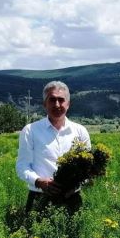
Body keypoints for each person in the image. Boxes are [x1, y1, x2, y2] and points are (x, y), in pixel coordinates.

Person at [16, 81, 91, 213]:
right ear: (45, 104)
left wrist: (73, 187)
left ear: (68, 104)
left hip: (72, 198)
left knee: (74, 233)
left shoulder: (80, 131)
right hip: (39, 197)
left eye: (61, 100)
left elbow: (88, 169)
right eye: (52, 100)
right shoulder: (30, 130)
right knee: (35, 233)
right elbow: (22, 166)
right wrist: (39, 182)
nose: (57, 104)